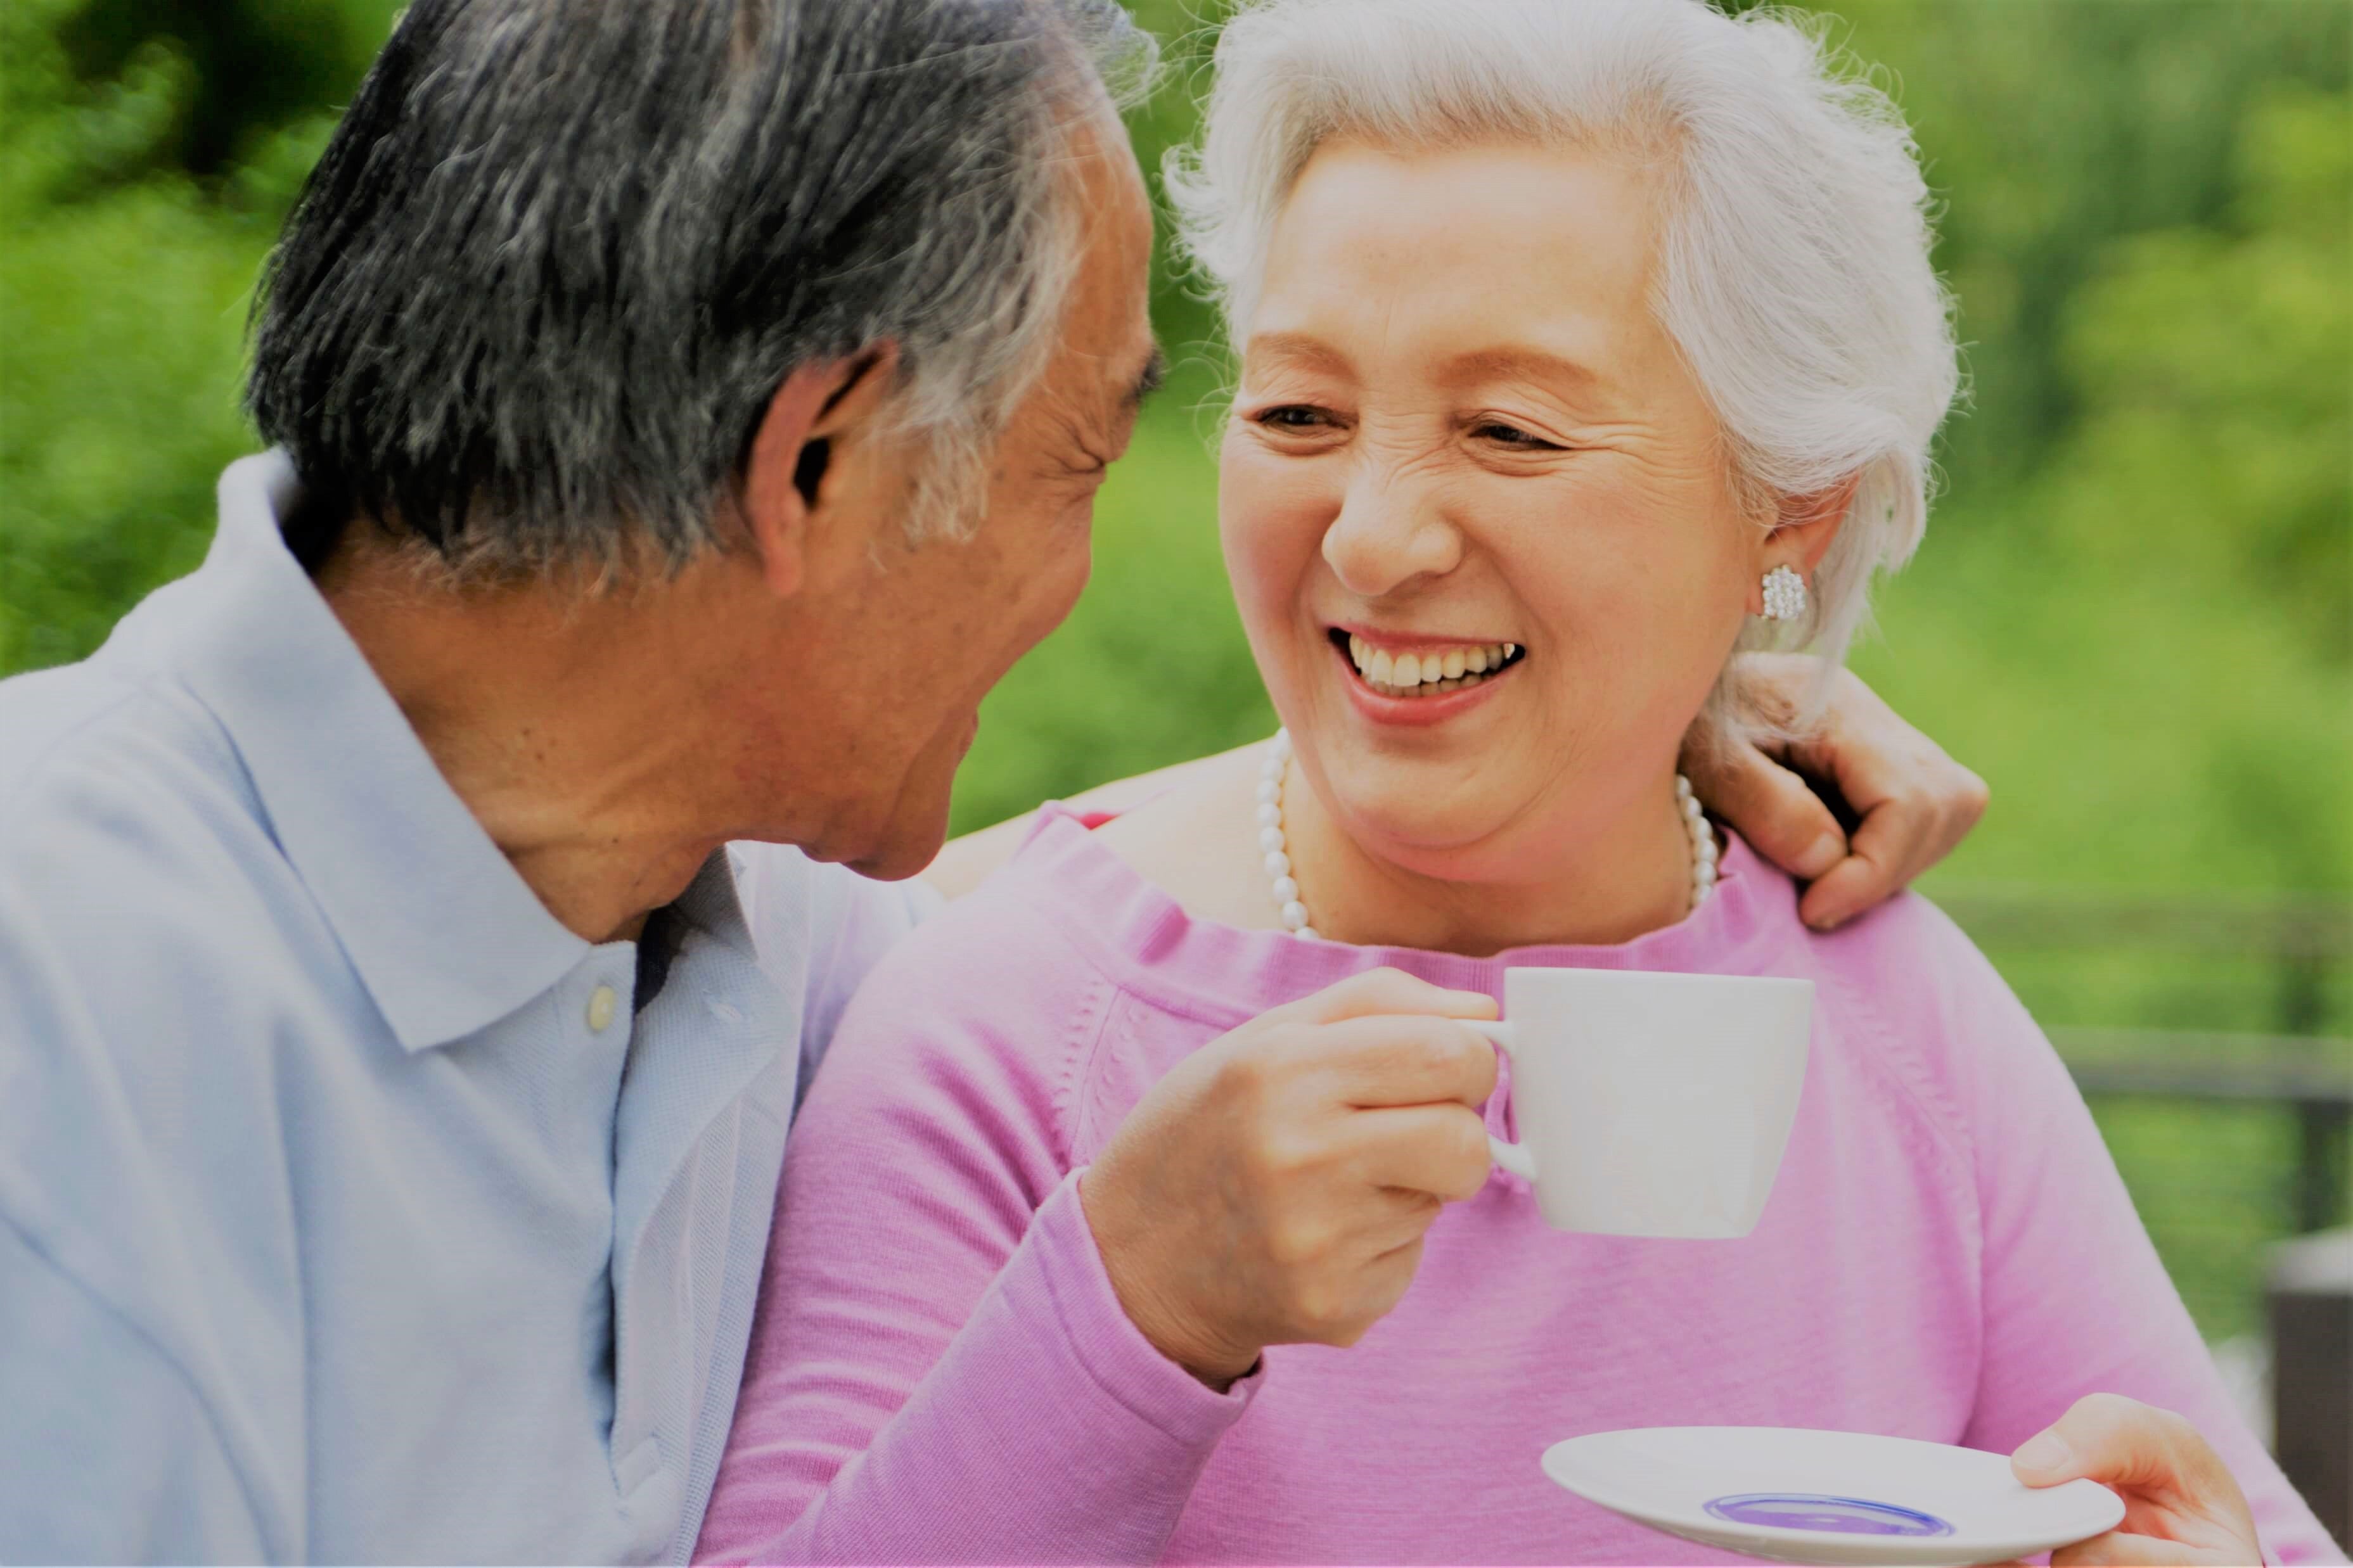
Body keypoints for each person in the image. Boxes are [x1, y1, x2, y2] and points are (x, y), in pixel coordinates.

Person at [0, 1, 1989, 1562]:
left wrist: (1661, 701)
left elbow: (1114, 900)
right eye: (1074, 463)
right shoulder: (60, 1024)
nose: (1088, 566)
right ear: (816, 468)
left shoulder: (747, 924)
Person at [695, 2, 2346, 1565]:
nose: (1370, 533)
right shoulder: (1009, 1025)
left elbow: (2221, 1520)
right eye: (1296, 410)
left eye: (1507, 431)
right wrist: (1126, 1320)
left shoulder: (1888, 1005)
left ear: (1789, 510)